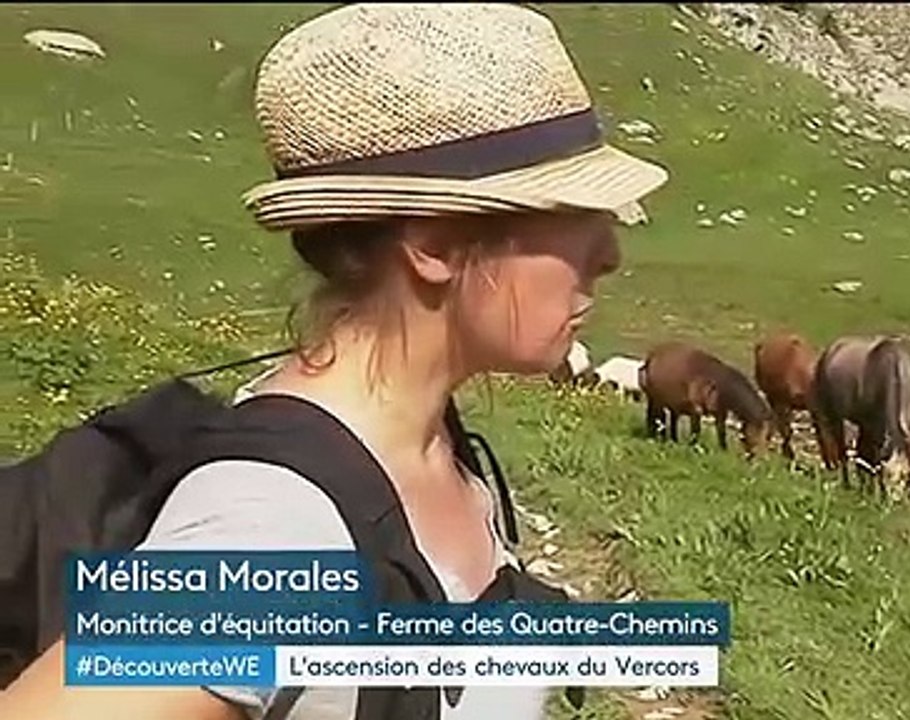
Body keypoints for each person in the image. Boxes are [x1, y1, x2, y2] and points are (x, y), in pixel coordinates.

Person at [0, 4, 667, 720]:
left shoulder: (430, 442)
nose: (611, 255)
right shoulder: (271, 531)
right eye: (574, 211)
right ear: (437, 246)